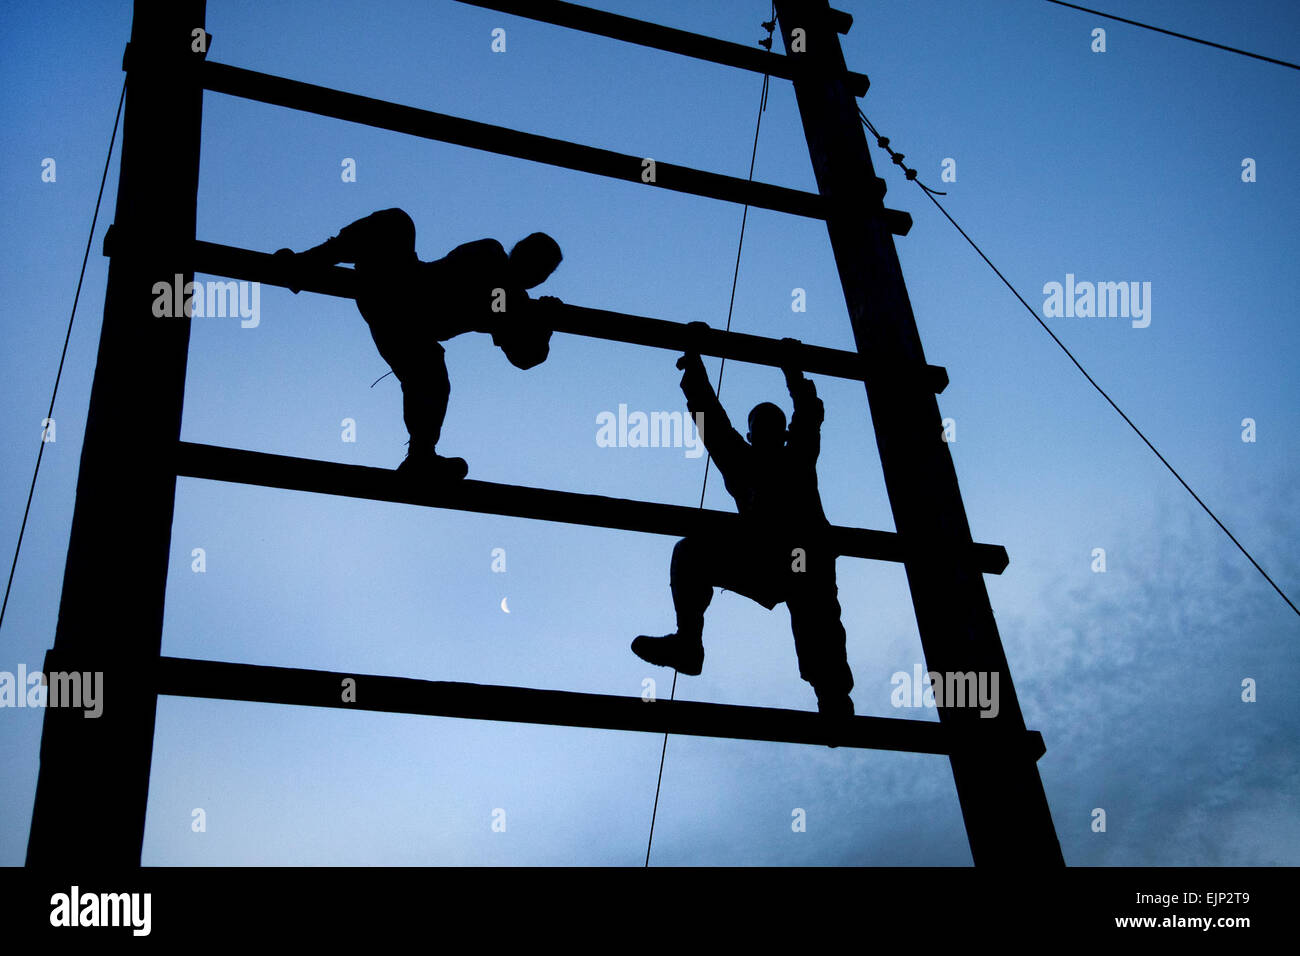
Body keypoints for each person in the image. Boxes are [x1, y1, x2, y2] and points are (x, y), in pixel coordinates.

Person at [632, 330, 854, 719]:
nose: (766, 433)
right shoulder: (756, 459)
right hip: (772, 559)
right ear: (754, 435)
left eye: (771, 426)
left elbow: (804, 416)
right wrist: (696, 364)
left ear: (776, 434)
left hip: (798, 558)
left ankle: (832, 697)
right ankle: (689, 644)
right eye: (761, 427)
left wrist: (792, 370)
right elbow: (713, 421)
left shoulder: (787, 456)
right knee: (690, 553)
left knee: (818, 619)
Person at [274, 208, 562, 478]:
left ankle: (420, 458)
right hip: (397, 283)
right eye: (536, 262)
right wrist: (530, 319)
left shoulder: (510, 301)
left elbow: (525, 357)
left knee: (431, 375)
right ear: (520, 251)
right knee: (397, 222)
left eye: (543, 271)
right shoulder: (492, 256)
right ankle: (307, 263)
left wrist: (543, 325)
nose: (536, 273)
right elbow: (497, 296)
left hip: (404, 329)